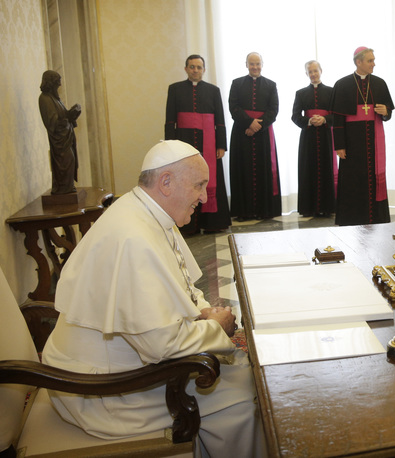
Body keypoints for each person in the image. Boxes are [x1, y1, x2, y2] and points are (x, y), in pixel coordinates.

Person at [41, 140, 266, 457]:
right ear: (166, 182)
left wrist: (204, 312)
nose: (204, 197)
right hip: (101, 392)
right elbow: (161, 346)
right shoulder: (133, 238)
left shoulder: (148, 212)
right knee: (243, 398)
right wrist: (217, 327)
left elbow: (183, 284)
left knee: (242, 372)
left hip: (117, 364)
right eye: (199, 185)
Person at [165, 54, 231, 234]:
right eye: (192, 67)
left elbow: (220, 121)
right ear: (186, 69)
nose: (195, 70)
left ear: (204, 70)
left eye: (199, 67)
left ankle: (212, 223)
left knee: (210, 179)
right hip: (183, 141)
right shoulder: (175, 89)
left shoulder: (213, 90)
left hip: (209, 143)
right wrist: (170, 146)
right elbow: (170, 121)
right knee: (185, 180)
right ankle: (187, 226)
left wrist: (221, 145)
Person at [330, 47, 395, 226]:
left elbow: (388, 113)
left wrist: (385, 112)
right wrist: (339, 145)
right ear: (359, 62)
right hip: (352, 142)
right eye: (370, 60)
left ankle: (376, 218)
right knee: (352, 181)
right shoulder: (342, 85)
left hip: (374, 142)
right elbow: (338, 119)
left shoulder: (380, 83)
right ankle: (351, 219)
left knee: (374, 179)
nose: (374, 64)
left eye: (373, 60)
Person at [228, 52, 281, 221]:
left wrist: (257, 126)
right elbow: (233, 107)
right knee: (242, 170)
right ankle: (244, 212)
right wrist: (249, 123)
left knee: (263, 170)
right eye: (252, 64)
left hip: (263, 133)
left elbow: (273, 110)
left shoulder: (271, 85)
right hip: (242, 132)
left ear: (262, 65)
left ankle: (264, 210)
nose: (255, 67)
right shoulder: (237, 83)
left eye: (258, 64)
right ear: (246, 65)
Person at [292, 60, 336, 217]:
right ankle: (308, 208)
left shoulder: (331, 92)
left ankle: (327, 207)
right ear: (306, 74)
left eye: (315, 71)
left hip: (326, 136)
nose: (313, 74)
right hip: (308, 137)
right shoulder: (300, 93)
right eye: (310, 72)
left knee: (326, 169)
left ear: (321, 71)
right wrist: (309, 121)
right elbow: (295, 116)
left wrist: (324, 119)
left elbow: (337, 115)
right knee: (307, 170)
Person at [38, 70, 81, 195]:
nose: (60, 84)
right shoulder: (45, 99)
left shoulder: (55, 99)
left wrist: (72, 113)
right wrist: (68, 117)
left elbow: (63, 116)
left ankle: (67, 187)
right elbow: (52, 123)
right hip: (60, 142)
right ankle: (63, 188)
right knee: (66, 161)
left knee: (71, 161)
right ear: (51, 82)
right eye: (58, 81)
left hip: (66, 138)